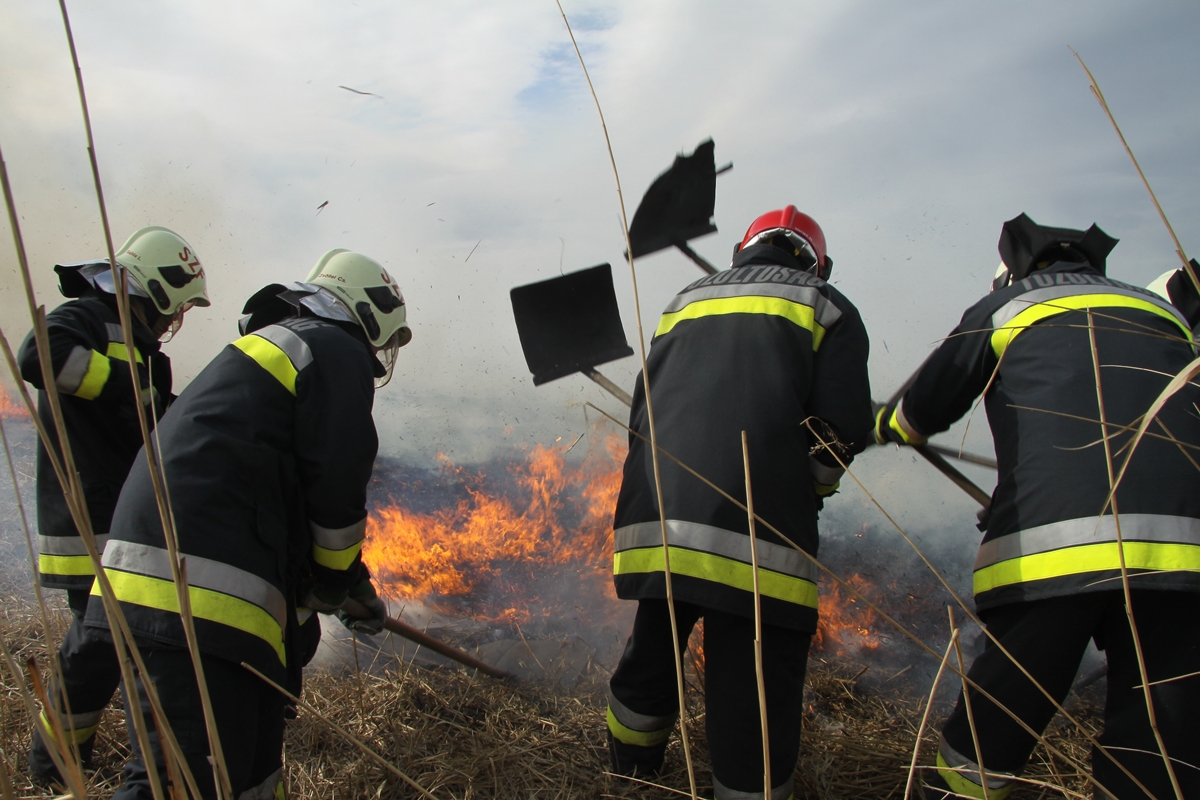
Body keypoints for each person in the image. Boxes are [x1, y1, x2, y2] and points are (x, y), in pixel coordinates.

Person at [875, 214, 1200, 800]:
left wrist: (883, 426)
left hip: (1054, 559)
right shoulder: (1164, 313)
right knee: (1160, 749)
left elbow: (921, 411)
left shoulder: (1010, 306)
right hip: (1184, 559)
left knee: (988, 738)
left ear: (1011, 274)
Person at [83, 249, 409, 799]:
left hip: (173, 580)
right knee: (185, 785)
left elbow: (286, 494)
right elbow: (335, 480)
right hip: (193, 591)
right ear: (368, 313)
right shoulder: (334, 346)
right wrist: (335, 580)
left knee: (248, 774)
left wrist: (353, 586)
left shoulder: (272, 353)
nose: (375, 355)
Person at [607, 206, 874, 799]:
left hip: (658, 521)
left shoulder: (684, 301)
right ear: (820, 264)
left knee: (652, 652)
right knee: (751, 685)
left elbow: (645, 407)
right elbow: (841, 430)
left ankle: (628, 775)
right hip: (756, 533)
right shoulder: (827, 306)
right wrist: (812, 488)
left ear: (740, 251)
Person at [17, 226, 209, 782]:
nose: (174, 322)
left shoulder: (138, 344)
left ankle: (61, 763)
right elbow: (38, 354)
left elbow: (152, 417)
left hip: (118, 520)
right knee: (103, 648)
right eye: (176, 308)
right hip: (90, 523)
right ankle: (60, 768)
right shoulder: (89, 315)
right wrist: (127, 384)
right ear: (156, 288)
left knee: (103, 649)